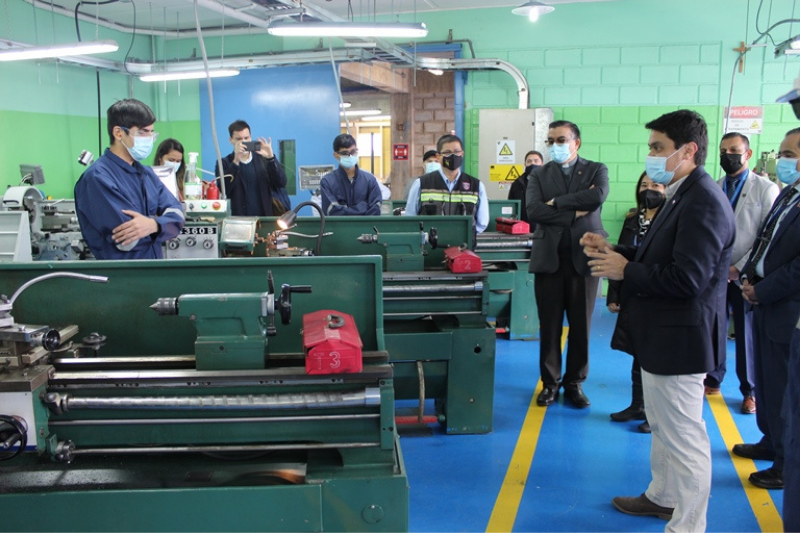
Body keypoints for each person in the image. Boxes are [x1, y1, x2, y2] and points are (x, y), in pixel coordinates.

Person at [582, 109, 735, 532]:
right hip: (662, 336)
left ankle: (688, 524)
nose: (650, 155)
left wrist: (624, 271)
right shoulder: (681, 192)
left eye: (658, 148)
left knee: (685, 438)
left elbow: (689, 279)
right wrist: (615, 252)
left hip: (681, 339)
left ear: (688, 150)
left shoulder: (703, 201)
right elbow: (663, 258)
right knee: (666, 429)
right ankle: (663, 497)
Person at [733, 127, 800, 491]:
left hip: (786, 307)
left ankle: (786, 464)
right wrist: (748, 277)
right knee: (769, 383)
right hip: (762, 299)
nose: (783, 162)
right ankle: (770, 441)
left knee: (788, 390)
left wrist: (764, 290)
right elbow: (765, 240)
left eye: (790, 155)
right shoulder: (789, 193)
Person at [526, 120, 608, 408]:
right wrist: (575, 212)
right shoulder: (538, 174)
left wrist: (557, 203)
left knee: (581, 326)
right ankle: (550, 383)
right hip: (549, 258)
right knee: (549, 326)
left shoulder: (597, 169)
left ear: (576, 142)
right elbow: (533, 210)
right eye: (550, 141)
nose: (555, 146)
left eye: (561, 140)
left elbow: (597, 197)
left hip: (584, 258)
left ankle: (574, 383)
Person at [705, 132, 778, 415]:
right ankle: (713, 378)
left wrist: (740, 267)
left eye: (734, 150)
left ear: (747, 154)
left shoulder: (765, 189)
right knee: (715, 326)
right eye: (723, 150)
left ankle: (750, 391)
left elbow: (767, 236)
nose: (728, 155)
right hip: (716, 272)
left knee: (746, 335)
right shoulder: (716, 186)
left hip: (745, 273)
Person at [74, 99, 185, 260]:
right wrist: (162, 225)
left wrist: (153, 225)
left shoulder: (146, 174)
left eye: (151, 132)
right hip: (122, 277)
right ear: (119, 133)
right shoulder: (98, 179)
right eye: (142, 132)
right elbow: (128, 240)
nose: (149, 138)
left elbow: (178, 215)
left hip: (153, 272)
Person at [607, 172, 666, 434]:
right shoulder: (633, 219)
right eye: (644, 185)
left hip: (654, 290)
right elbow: (620, 254)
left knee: (654, 355)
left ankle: (654, 414)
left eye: (655, 185)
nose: (649, 190)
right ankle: (637, 405)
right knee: (636, 352)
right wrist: (614, 295)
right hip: (632, 292)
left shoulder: (667, 220)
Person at [404, 134, 490, 234]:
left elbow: (482, 223)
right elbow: (410, 218)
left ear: (462, 154)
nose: (453, 156)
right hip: (430, 247)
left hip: (463, 246)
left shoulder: (476, 186)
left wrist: (467, 235)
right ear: (438, 156)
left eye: (457, 152)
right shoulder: (421, 184)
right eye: (447, 152)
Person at [217, 120, 290, 217]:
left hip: (264, 219)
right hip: (238, 221)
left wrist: (271, 158)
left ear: (250, 138)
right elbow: (224, 190)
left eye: (246, 138)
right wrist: (236, 161)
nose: (244, 142)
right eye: (239, 139)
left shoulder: (263, 159)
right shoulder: (224, 163)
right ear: (231, 140)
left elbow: (281, 182)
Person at [319, 134, 383, 216]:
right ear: (336, 155)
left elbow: (375, 210)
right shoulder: (327, 182)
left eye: (353, 152)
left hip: (366, 228)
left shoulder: (370, 180)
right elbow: (332, 211)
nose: (350, 156)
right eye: (345, 153)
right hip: (338, 228)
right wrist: (362, 207)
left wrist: (345, 210)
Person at [508, 150, 544, 226]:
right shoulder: (517, 184)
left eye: (536, 161)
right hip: (522, 230)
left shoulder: (551, 183)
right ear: (525, 164)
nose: (532, 164)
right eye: (529, 161)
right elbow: (511, 207)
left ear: (542, 164)